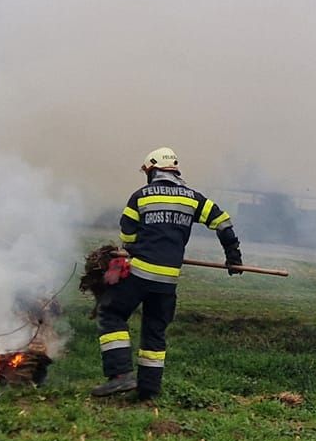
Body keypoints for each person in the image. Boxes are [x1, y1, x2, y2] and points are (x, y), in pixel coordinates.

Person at [92, 148, 241, 401]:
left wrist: (132, 248)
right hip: (168, 281)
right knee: (154, 331)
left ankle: (120, 375)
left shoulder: (140, 196)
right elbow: (223, 222)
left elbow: (127, 232)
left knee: (111, 312)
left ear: (152, 170)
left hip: (141, 272)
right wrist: (233, 257)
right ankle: (148, 390)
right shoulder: (194, 199)